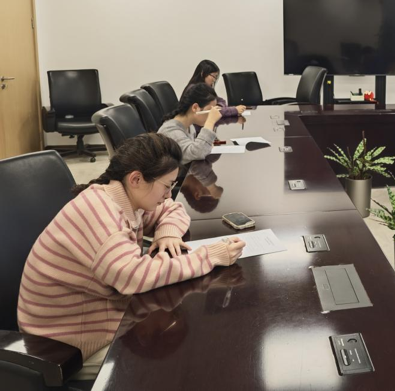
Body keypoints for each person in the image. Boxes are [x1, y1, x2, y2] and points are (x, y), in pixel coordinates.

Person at [17, 134, 246, 378]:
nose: (169, 194)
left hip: (95, 312)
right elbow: (134, 277)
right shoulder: (101, 216)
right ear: (136, 179)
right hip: (65, 344)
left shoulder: (125, 197)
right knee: (170, 368)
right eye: (167, 186)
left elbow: (172, 209)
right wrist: (209, 256)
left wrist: (167, 233)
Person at [158, 83, 222, 164]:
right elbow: (198, 153)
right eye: (209, 110)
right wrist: (210, 121)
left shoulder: (189, 126)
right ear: (195, 107)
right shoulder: (171, 131)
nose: (210, 114)